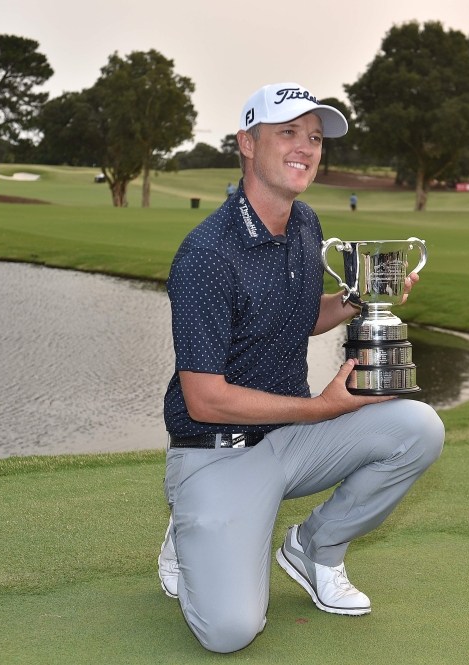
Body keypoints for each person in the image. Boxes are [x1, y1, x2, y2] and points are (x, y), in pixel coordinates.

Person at [159, 82, 444, 654]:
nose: (305, 148)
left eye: (314, 137)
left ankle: (314, 549)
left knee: (418, 429)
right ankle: (192, 531)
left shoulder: (306, 224)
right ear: (246, 142)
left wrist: (364, 299)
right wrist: (322, 408)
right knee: (231, 632)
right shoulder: (207, 254)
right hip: (217, 451)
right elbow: (204, 399)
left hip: (291, 440)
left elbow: (299, 319)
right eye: (287, 132)